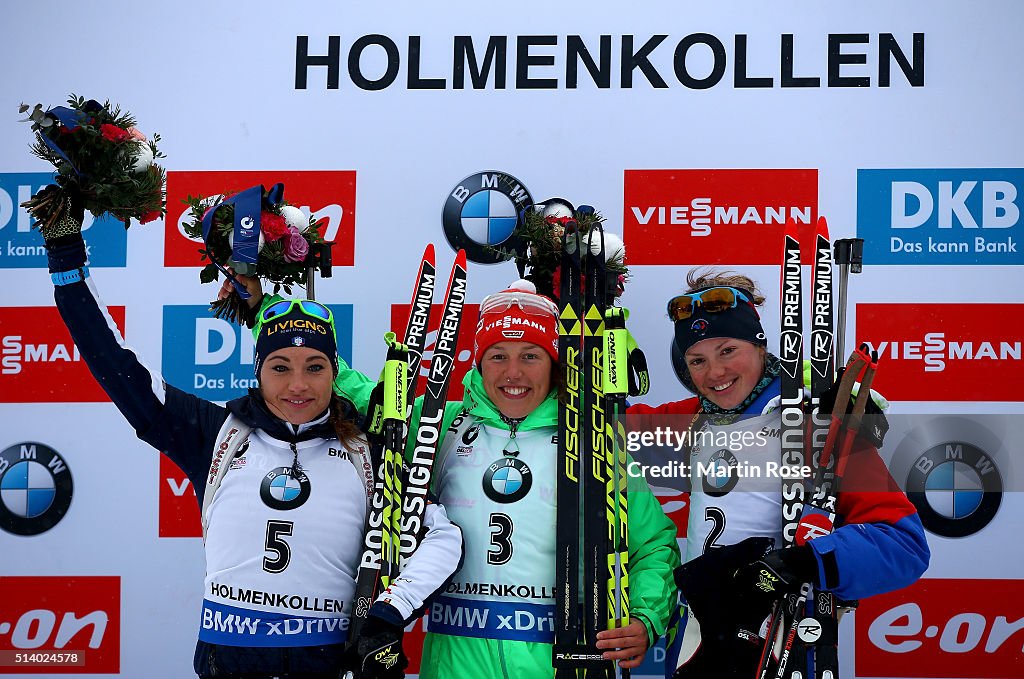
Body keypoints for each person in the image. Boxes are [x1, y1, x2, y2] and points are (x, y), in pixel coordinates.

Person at [37, 185, 463, 679]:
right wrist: (67, 262)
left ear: (334, 372)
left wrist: (392, 613)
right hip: (230, 664)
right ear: (259, 371)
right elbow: (114, 364)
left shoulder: (367, 446)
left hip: (330, 665)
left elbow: (442, 535)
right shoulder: (216, 432)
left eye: (315, 367)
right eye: (280, 367)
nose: (298, 385)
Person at [254, 279, 681, 678]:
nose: (513, 373)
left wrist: (645, 617)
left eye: (530, 355)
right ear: (479, 362)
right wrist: (268, 311)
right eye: (498, 356)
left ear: (553, 362)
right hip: (456, 662)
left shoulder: (591, 438)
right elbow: (354, 389)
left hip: (558, 662)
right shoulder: (440, 424)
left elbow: (653, 542)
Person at [628, 269, 930, 679]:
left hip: (784, 634)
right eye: (697, 360)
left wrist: (806, 562)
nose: (714, 373)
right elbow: (601, 424)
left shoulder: (815, 425)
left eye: (728, 351)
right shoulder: (695, 418)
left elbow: (903, 545)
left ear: (758, 345)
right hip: (704, 634)